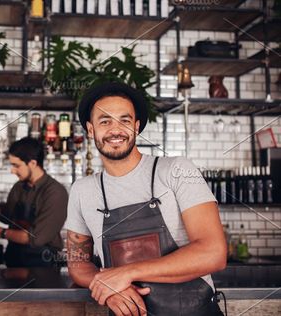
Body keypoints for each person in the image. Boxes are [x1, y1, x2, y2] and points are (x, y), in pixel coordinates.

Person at [65, 82, 227, 316]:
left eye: (125, 120)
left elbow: (214, 253)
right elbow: (78, 264)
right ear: (90, 130)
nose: (116, 129)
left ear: (136, 126)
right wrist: (108, 287)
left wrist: (126, 273)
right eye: (105, 121)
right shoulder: (82, 191)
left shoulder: (177, 170)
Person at [0, 137, 68, 267]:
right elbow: (5, 217)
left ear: (32, 163)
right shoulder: (19, 187)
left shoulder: (55, 192)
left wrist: (0, 232)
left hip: (42, 266)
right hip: (14, 262)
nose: (12, 170)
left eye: (16, 165)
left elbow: (36, 238)